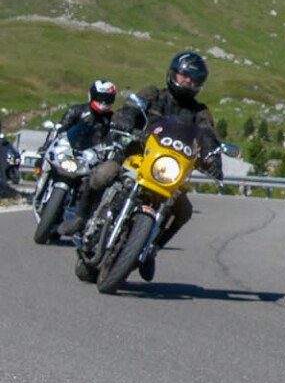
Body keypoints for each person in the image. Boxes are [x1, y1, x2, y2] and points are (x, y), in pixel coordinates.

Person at [70, 51, 222, 281]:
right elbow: (131, 108)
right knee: (104, 173)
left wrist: (213, 159)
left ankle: (152, 249)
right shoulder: (153, 94)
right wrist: (125, 120)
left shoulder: (200, 112)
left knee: (184, 211)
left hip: (168, 171)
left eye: (193, 79)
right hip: (137, 156)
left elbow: (209, 135)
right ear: (172, 74)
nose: (187, 82)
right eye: (183, 76)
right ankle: (81, 217)